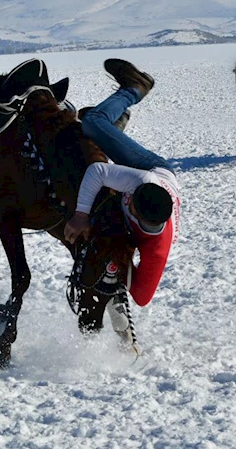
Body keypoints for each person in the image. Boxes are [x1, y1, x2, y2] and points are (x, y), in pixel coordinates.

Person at [64, 59, 181, 316]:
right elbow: (97, 172)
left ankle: (116, 125)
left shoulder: (157, 249)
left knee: (95, 127)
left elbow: (141, 297)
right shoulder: (142, 181)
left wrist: (121, 260)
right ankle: (135, 88)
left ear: (135, 213)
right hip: (154, 168)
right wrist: (81, 215)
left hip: (152, 189)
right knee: (92, 122)